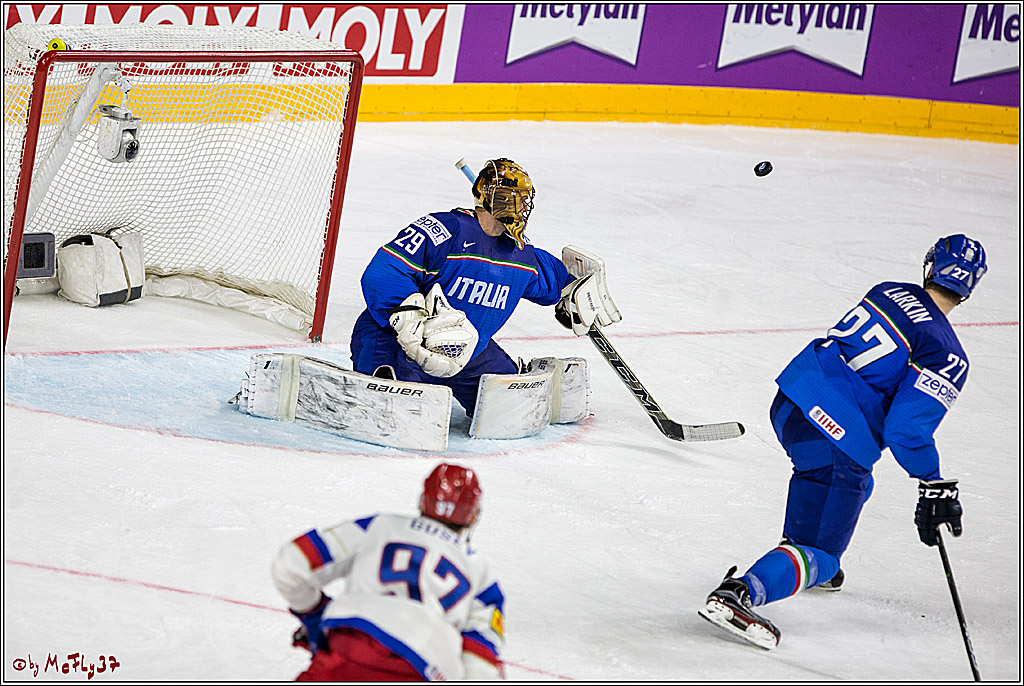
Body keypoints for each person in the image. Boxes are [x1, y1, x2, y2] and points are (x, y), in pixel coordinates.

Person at [698, 234, 988, 650]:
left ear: (930, 266)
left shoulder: (888, 292)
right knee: (825, 546)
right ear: (969, 288)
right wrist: (933, 482)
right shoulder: (947, 353)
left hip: (792, 401)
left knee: (835, 479)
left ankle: (795, 554)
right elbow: (906, 430)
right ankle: (743, 593)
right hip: (838, 432)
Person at [350, 158, 605, 415]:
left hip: (471, 355)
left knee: (516, 410)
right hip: (400, 345)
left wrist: (574, 292)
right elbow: (384, 271)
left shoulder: (522, 254)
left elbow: (556, 281)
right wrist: (408, 318)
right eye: (515, 199)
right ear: (497, 200)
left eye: (525, 200)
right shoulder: (447, 230)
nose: (523, 208)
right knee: (389, 410)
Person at [272, 463, 506, 681]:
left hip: (350, 649)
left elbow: (289, 566)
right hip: (423, 668)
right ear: (473, 516)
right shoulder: (481, 573)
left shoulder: (379, 526)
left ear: (423, 500)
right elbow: (481, 665)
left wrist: (314, 616)